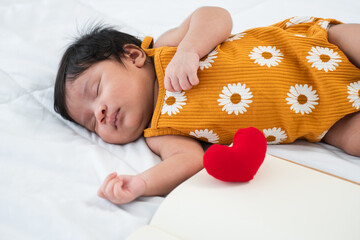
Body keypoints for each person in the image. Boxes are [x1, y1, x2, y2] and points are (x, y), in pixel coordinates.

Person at [54, 7, 360, 205]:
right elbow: (188, 163)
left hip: (320, 47)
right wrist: (139, 185)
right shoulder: (161, 132)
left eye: (95, 90)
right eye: (91, 122)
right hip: (329, 119)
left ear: (134, 56)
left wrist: (190, 49)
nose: (100, 114)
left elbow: (215, 15)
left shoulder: (166, 49)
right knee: (353, 140)